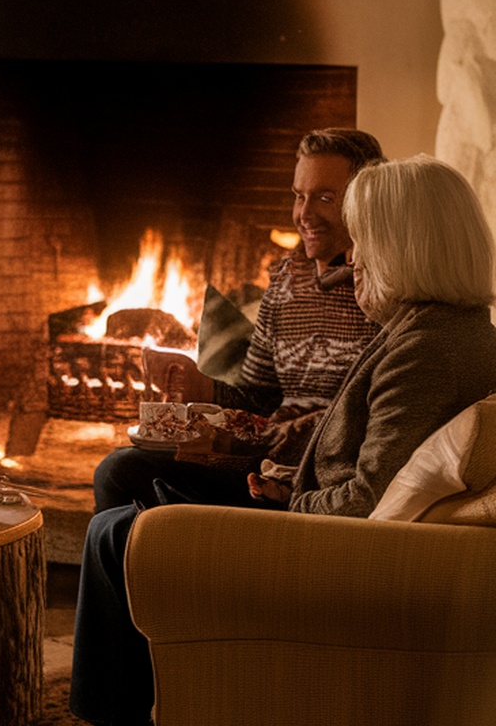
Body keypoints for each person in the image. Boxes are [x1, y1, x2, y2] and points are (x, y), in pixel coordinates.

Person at [18, 155, 496, 726]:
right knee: (129, 476)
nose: (353, 259)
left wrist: (288, 498)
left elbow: (362, 498)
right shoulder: (439, 330)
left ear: (404, 248)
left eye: (365, 243)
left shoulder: (426, 350)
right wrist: (272, 438)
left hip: (319, 546)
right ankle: (139, 698)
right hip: (307, 508)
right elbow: (357, 435)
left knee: (112, 534)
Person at [94, 127, 385, 513]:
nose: (304, 214)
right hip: (261, 462)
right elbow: (259, 397)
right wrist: (201, 384)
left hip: (311, 480)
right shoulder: (285, 280)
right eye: (299, 197)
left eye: (325, 198)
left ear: (364, 201)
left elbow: (363, 423)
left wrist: (237, 443)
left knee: (122, 477)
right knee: (118, 473)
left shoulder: (381, 291)